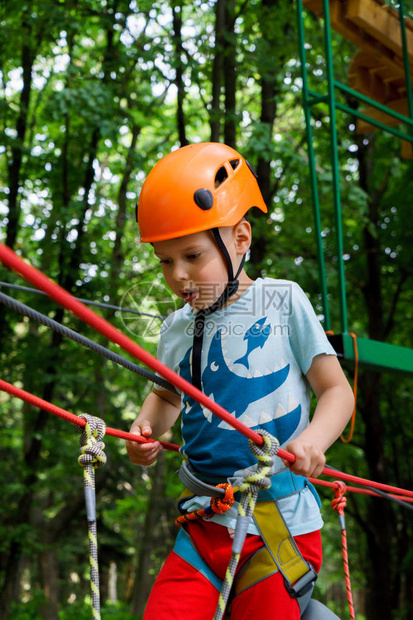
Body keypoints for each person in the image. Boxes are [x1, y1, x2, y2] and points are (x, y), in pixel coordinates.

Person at [126, 142, 354, 620]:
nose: (179, 276)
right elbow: (166, 396)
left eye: (191, 255)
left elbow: (336, 391)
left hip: (279, 525)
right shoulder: (176, 328)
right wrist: (146, 429)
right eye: (165, 261)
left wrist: (314, 438)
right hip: (204, 524)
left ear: (241, 239)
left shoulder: (282, 301)